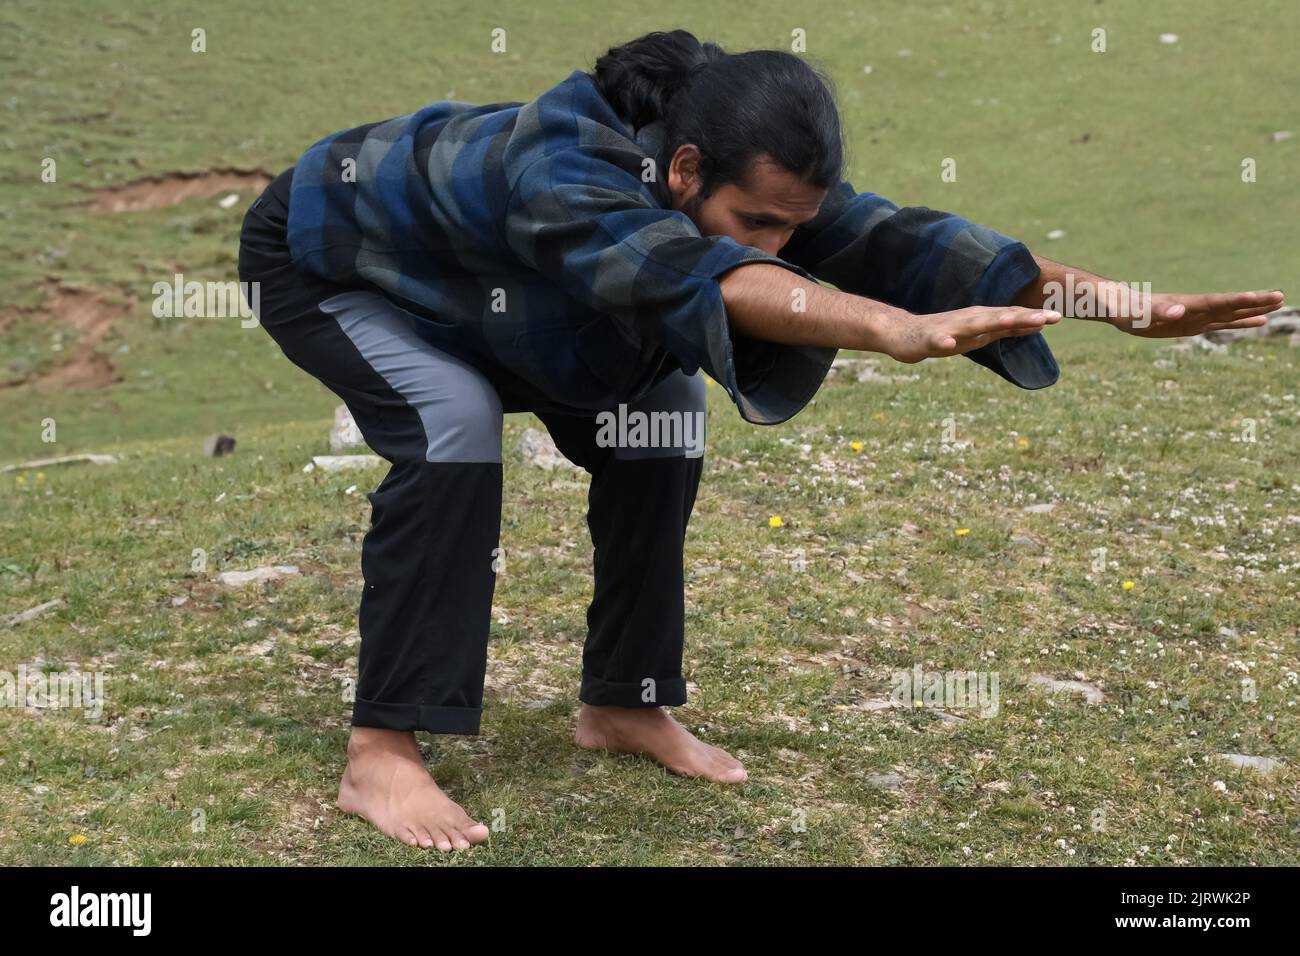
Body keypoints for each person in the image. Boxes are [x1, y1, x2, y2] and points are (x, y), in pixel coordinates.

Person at [236, 29, 1283, 852]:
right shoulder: (563, 166)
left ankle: (623, 702)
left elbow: (902, 246)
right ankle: (380, 748)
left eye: (793, 224)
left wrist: (1122, 302)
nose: (782, 243)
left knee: (662, 416)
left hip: (502, 289)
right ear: (684, 168)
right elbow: (707, 280)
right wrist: (887, 328)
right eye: (759, 222)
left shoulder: (742, 172)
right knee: (453, 423)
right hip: (330, 256)